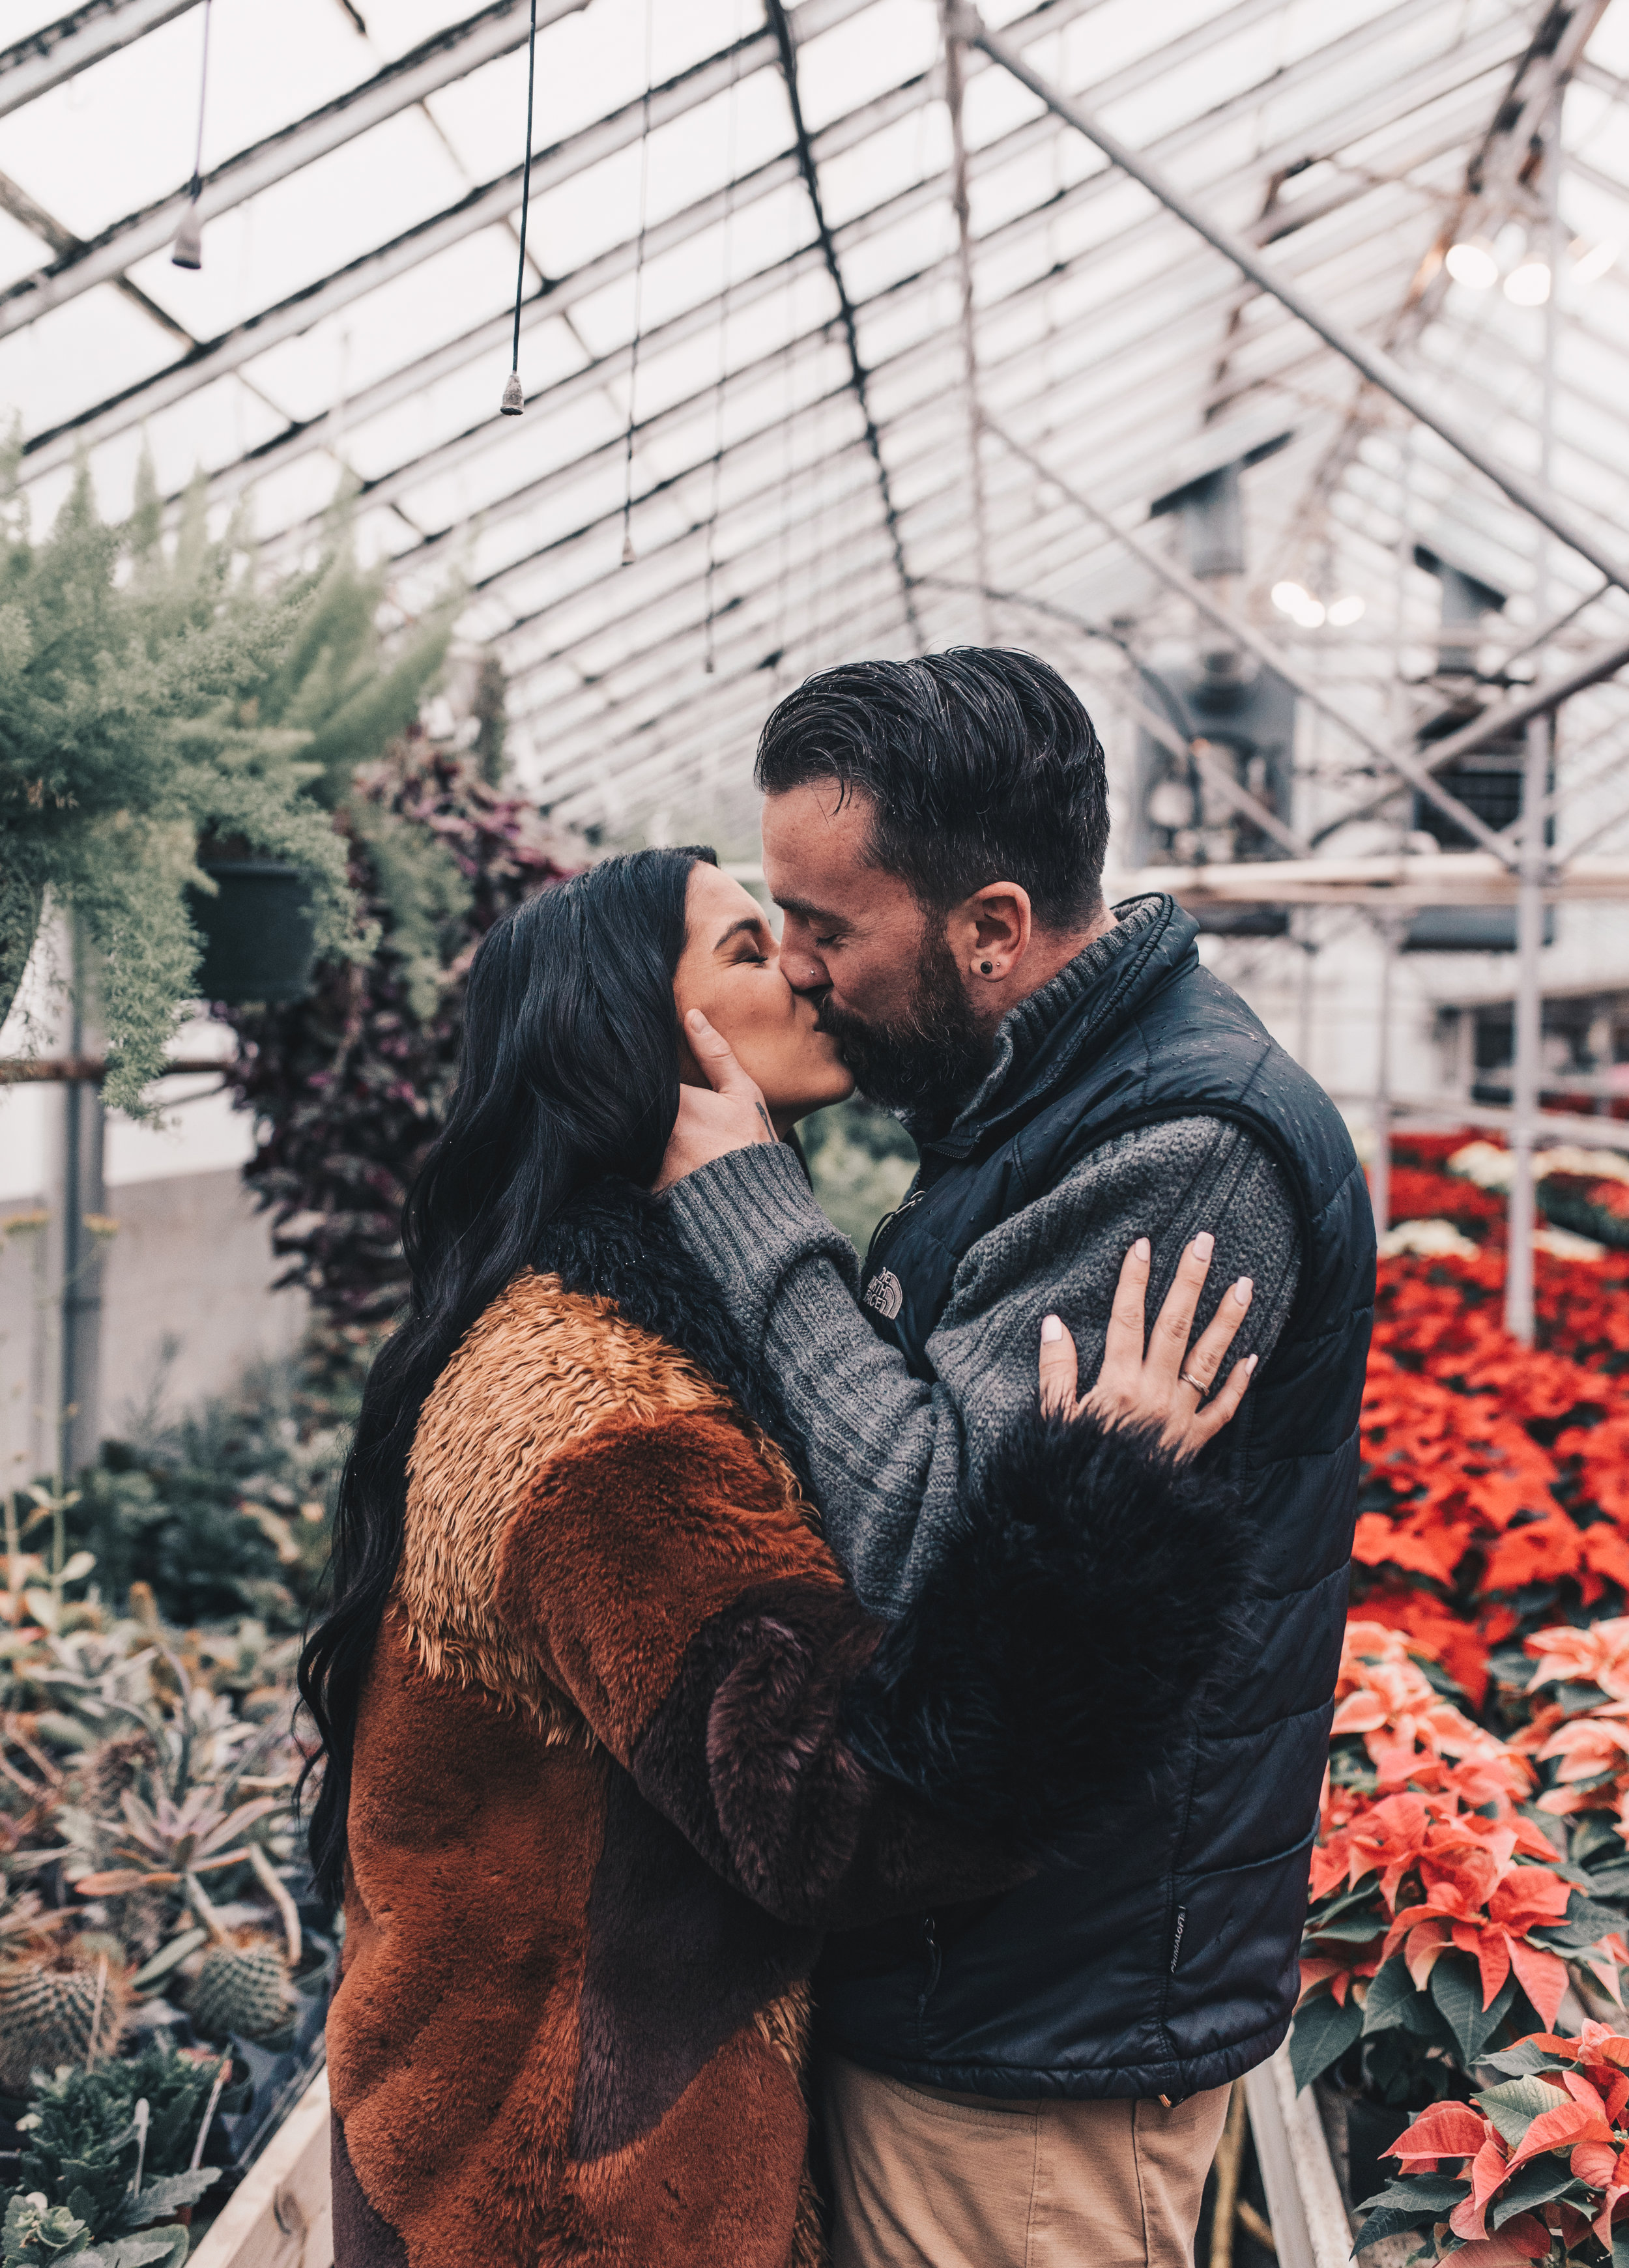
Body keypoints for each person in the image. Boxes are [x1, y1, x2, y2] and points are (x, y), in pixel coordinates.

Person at [302, 845, 1260, 2268]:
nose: (804, 968)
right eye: (748, 950)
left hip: (545, 2151)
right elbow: (822, 1813)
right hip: (566, 2201)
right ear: (631, 1037)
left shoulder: (622, 1325)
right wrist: (1097, 1513)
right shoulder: (599, 1406)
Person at [657, 652, 1377, 2268]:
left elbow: (925, 1537)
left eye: (829, 928)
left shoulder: (1181, 1148)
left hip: (1041, 2022)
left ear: (989, 927)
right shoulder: (1034, 1102)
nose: (805, 970)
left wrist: (753, 1211)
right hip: (977, 1971)